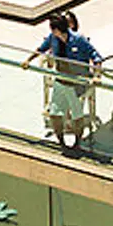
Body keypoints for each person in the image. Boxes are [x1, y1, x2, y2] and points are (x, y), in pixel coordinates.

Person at [23, 10, 102, 153]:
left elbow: (96, 57)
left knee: (77, 116)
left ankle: (77, 143)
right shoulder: (53, 39)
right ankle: (61, 142)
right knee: (54, 114)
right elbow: (41, 49)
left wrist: (97, 76)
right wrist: (28, 60)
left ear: (57, 30)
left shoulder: (79, 39)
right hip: (60, 80)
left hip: (76, 83)